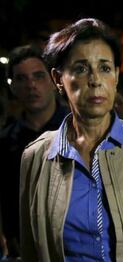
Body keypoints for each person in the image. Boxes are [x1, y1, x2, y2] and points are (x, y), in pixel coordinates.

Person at [20, 18, 123, 261]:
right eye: (80, 68)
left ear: (116, 76)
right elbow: (31, 251)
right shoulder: (36, 156)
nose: (95, 80)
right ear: (58, 79)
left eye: (105, 68)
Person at [0, 44, 69, 258]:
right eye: (21, 79)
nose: (31, 85)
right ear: (13, 87)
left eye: (38, 76)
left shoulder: (78, 130)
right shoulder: (5, 141)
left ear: (53, 80)